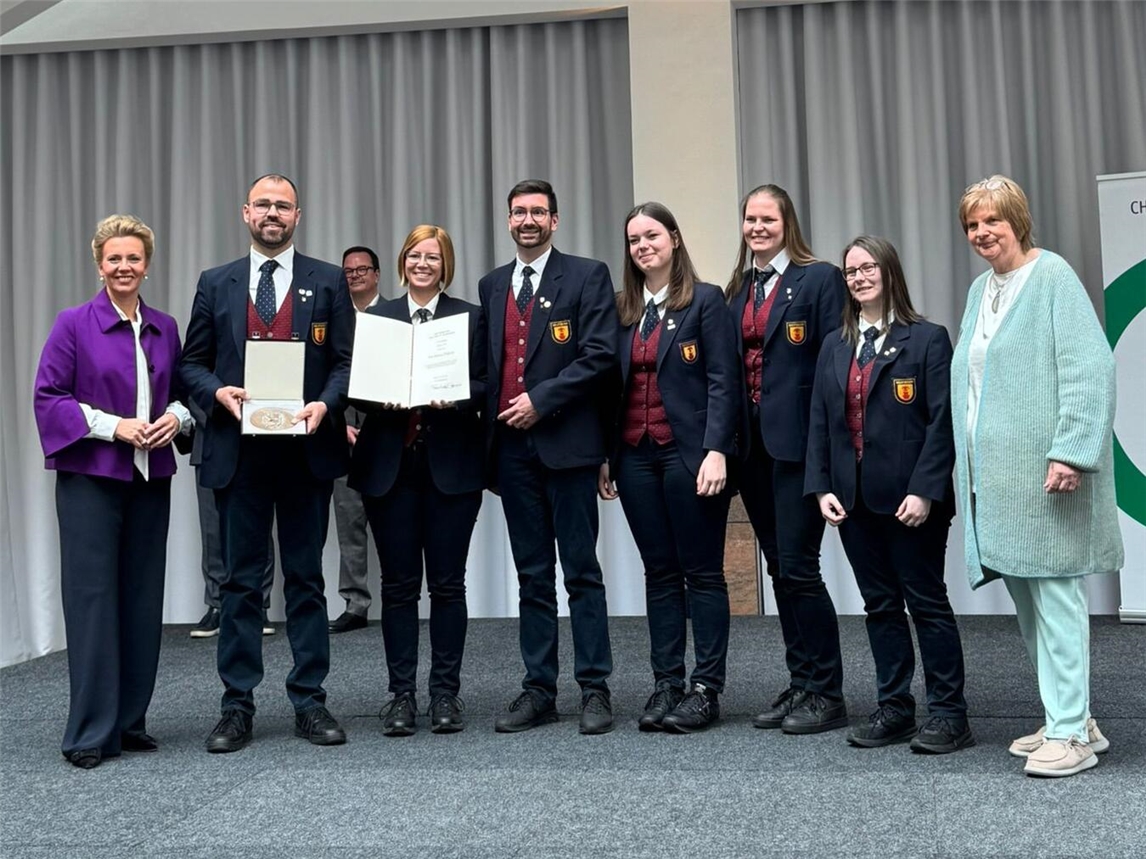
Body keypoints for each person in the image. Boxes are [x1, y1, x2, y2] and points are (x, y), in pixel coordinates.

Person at [951, 175, 1123, 777]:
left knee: (1055, 599)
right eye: (973, 224)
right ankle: (1066, 718)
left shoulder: (1051, 277)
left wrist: (1071, 451)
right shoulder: (981, 290)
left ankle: (1073, 733)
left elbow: (1088, 367)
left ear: (1018, 220)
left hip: (1046, 475)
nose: (982, 233)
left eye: (992, 221)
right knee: (1028, 601)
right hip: (996, 479)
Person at [179, 173, 354, 753]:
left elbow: (347, 362)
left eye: (283, 205)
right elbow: (191, 364)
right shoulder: (216, 282)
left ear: (298, 216)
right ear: (245, 213)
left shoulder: (328, 281)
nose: (272, 213)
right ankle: (236, 705)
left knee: (306, 579)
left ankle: (310, 700)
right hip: (238, 454)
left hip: (306, 453)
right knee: (239, 584)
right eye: (263, 205)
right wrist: (218, 395)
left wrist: (326, 405)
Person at [33, 214, 191, 768]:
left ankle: (129, 722)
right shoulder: (72, 324)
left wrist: (175, 417)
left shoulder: (165, 327)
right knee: (94, 602)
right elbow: (49, 397)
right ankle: (89, 733)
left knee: (142, 601)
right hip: (92, 482)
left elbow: (181, 391)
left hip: (150, 479)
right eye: (114, 259)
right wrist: (114, 425)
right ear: (98, 264)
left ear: (147, 264)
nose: (124, 267)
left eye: (134, 258)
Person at [806, 235, 972, 753]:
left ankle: (949, 714)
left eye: (867, 267)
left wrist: (925, 491)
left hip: (911, 504)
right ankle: (895, 707)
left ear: (889, 271)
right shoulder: (835, 344)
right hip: (852, 502)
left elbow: (943, 423)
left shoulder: (926, 339)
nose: (858, 277)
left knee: (926, 603)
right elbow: (819, 424)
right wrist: (820, 488)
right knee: (879, 605)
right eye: (850, 271)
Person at [480, 179, 619, 734]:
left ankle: (595, 688)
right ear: (508, 220)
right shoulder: (492, 286)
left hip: (569, 448)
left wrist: (542, 399)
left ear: (555, 221)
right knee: (532, 574)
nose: (528, 220)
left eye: (539, 212)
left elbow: (601, 357)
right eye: (519, 212)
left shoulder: (587, 276)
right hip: (512, 454)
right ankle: (539, 688)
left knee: (581, 571)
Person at [597, 203, 740, 733]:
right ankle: (667, 684)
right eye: (633, 240)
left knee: (702, 572)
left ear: (675, 239)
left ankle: (706, 689)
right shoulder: (621, 309)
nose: (642, 247)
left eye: (652, 235)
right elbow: (609, 389)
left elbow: (724, 380)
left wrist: (718, 449)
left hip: (691, 455)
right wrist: (607, 457)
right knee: (658, 573)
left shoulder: (705, 301)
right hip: (634, 455)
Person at [349, 225, 486, 735]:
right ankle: (401, 695)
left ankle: (446, 694)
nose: (422, 264)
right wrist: (375, 396)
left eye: (432, 256)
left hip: (452, 467)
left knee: (449, 585)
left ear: (445, 264)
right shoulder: (377, 317)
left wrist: (459, 395)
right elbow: (355, 387)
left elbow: (488, 384)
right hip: (390, 467)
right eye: (414, 255)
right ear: (402, 261)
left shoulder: (469, 317)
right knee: (399, 586)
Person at [725, 184, 848, 734]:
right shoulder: (738, 288)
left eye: (767, 219)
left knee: (800, 568)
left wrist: (828, 452)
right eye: (750, 219)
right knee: (779, 568)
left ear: (786, 223)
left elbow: (833, 370)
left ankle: (827, 691)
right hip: (752, 450)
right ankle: (801, 681)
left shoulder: (818, 278)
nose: (757, 227)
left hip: (799, 449)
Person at [188, 396, 276, 639]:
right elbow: (191, 381)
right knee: (212, 529)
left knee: (258, 529)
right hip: (212, 438)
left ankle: (259, 605)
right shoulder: (200, 357)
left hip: (259, 437)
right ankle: (217, 604)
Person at [328, 245, 381, 634]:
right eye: (348, 270)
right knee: (349, 520)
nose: (355, 275)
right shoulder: (332, 318)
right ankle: (355, 603)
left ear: (377, 274)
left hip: (388, 433)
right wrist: (336, 424)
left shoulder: (397, 316)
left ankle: (401, 596)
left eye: (363, 269)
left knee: (395, 520)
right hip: (341, 429)